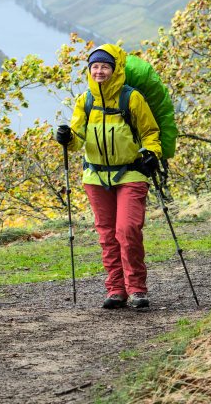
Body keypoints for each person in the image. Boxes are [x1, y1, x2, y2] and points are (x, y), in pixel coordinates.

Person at [54, 44, 162, 310]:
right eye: (95, 67)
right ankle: (116, 290)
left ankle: (136, 289)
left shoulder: (131, 98)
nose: (99, 71)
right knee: (107, 235)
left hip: (131, 173)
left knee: (127, 230)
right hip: (96, 176)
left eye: (104, 66)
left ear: (114, 69)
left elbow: (150, 132)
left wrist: (151, 152)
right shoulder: (85, 100)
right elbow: (77, 138)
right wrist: (66, 139)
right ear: (89, 71)